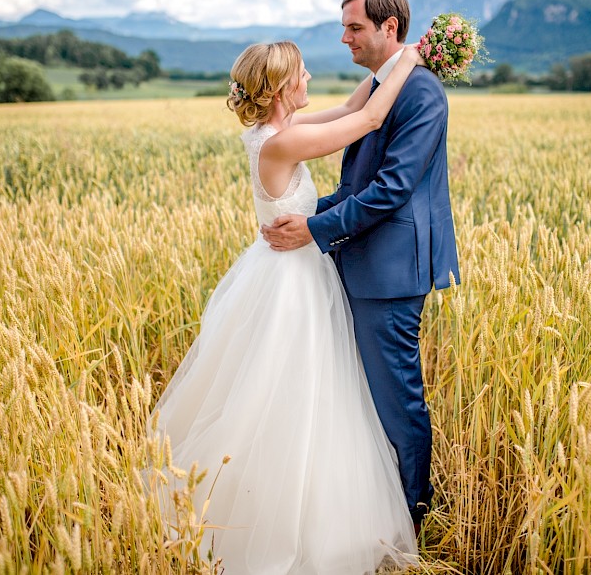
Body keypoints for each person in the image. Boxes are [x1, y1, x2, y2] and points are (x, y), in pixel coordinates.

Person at [150, 39, 427, 573]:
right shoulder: (282, 144)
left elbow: (352, 107)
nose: (307, 80)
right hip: (291, 282)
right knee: (298, 388)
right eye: (300, 74)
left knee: (299, 386)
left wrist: (387, 64)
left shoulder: (273, 134)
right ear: (280, 88)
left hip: (291, 268)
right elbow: (369, 120)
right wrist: (409, 62)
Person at [261, 0, 460, 535]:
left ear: (388, 28)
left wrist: (315, 227)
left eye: (354, 27)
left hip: (391, 272)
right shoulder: (380, 87)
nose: (344, 37)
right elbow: (359, 182)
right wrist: (309, 215)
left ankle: (413, 518)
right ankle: (376, 511)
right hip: (361, 262)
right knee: (364, 397)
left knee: (397, 400)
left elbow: (392, 188)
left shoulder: (419, 93)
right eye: (344, 26)